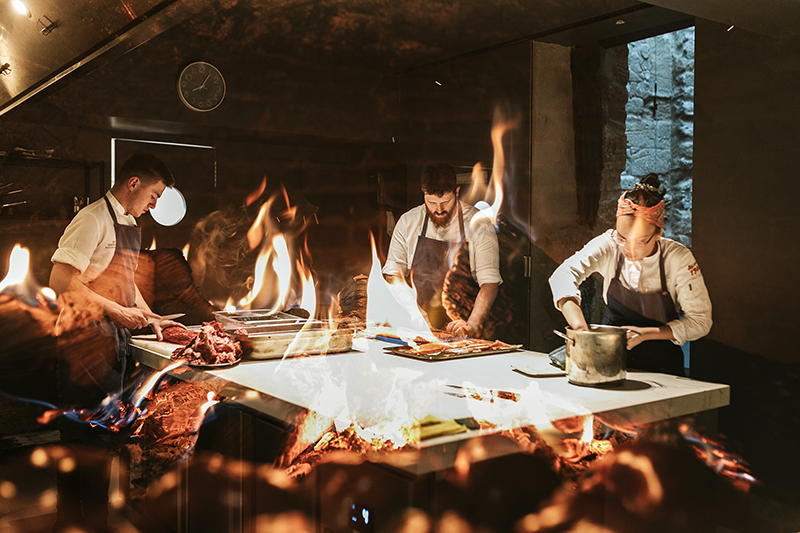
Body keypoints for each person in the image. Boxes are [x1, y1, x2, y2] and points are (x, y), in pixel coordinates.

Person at [49, 153, 185, 532]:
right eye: (154, 196)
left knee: (100, 442)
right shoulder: (92, 219)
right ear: (134, 184)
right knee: (82, 441)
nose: (154, 206)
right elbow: (61, 281)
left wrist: (152, 317)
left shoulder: (128, 222)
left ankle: (92, 522)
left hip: (111, 343)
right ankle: (72, 522)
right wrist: (117, 312)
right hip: (83, 343)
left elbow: (126, 286)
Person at [548, 174, 712, 376]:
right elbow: (563, 274)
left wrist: (645, 334)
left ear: (658, 232)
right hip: (608, 358)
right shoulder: (609, 244)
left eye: (640, 241)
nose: (628, 248)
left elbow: (701, 322)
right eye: (622, 237)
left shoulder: (678, 258)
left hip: (661, 363)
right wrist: (580, 329)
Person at [382, 163, 502, 338]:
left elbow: (489, 283)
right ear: (423, 193)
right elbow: (392, 275)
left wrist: (471, 325)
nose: (439, 209)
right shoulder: (408, 222)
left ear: (457, 192)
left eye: (445, 202)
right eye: (432, 202)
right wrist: (414, 310)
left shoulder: (479, 225)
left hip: (463, 329)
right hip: (417, 331)